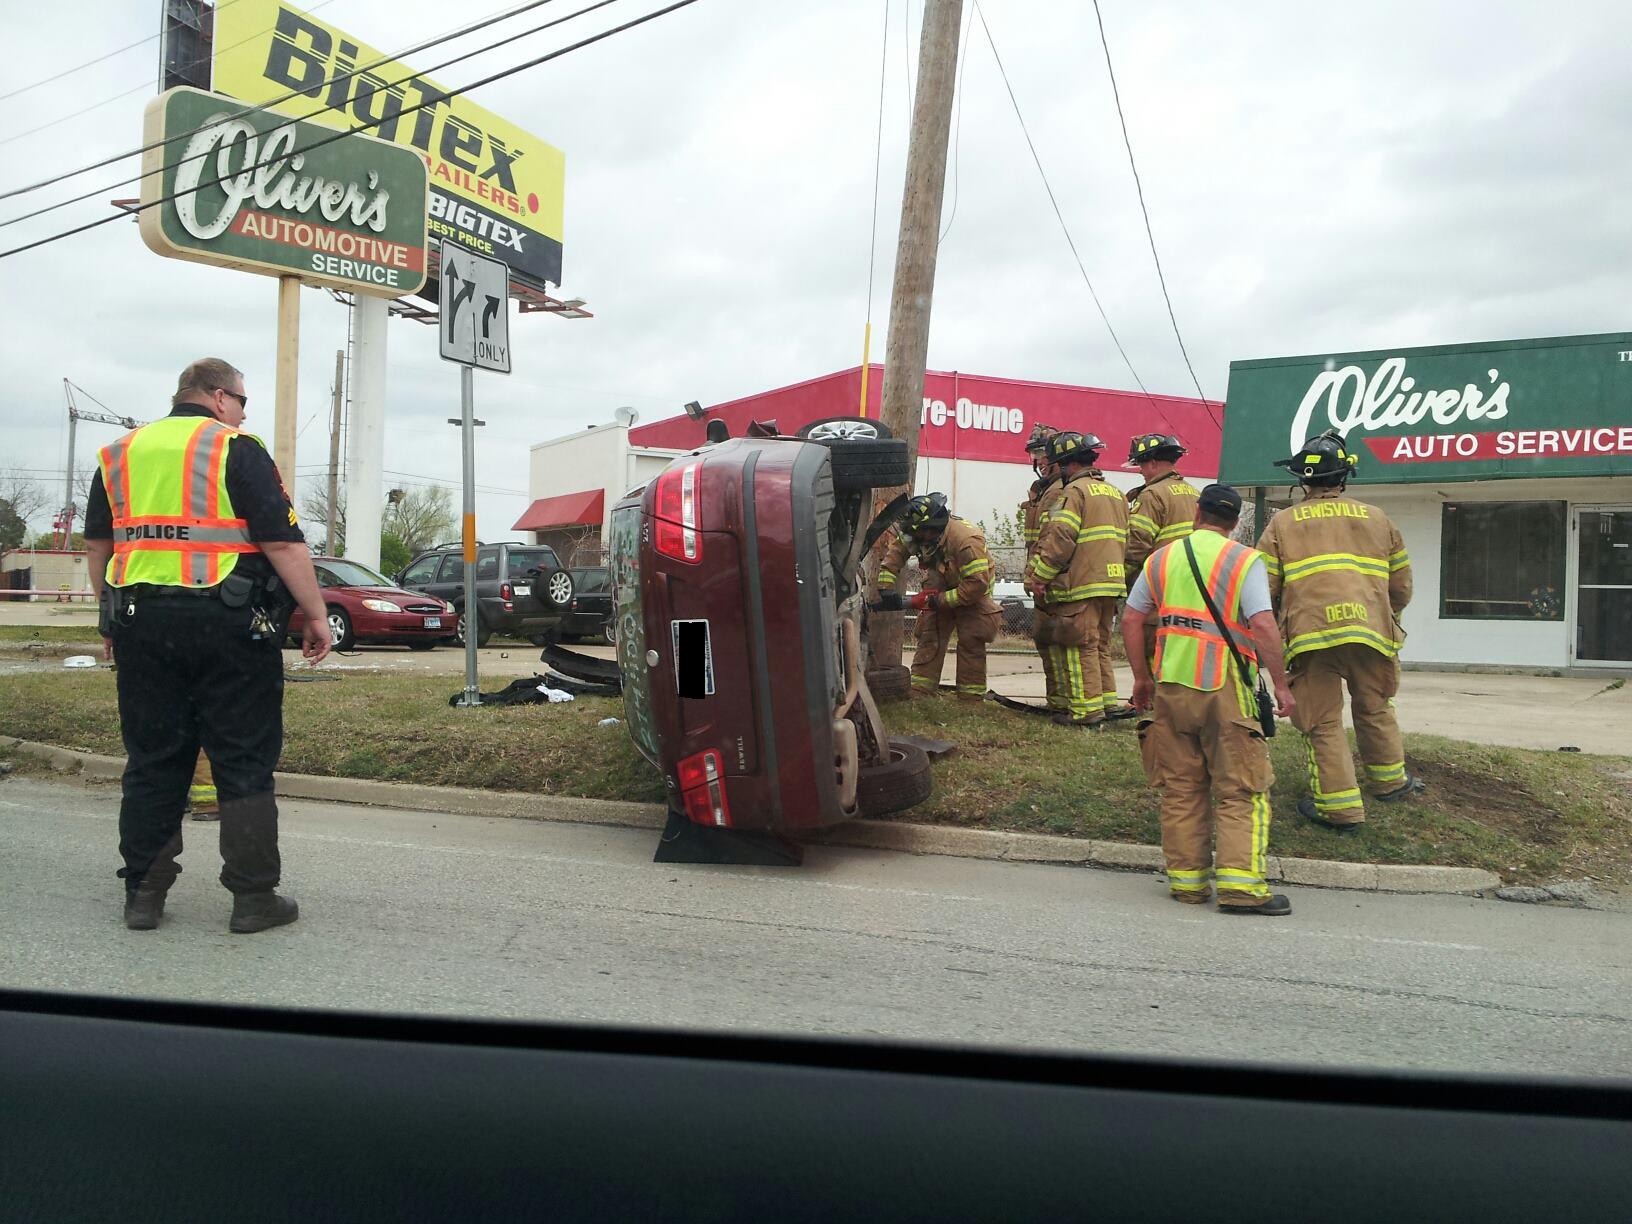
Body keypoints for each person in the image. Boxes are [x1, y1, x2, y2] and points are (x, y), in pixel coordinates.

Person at [83, 357, 333, 933]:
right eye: (243, 401)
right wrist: (315, 615)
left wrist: (109, 619)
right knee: (243, 759)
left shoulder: (119, 455)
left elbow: (100, 547)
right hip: (230, 625)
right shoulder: (235, 449)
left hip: (143, 623)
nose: (244, 413)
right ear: (220, 398)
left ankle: (143, 895)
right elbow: (284, 544)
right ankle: (252, 900)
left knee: (152, 760)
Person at [1122, 483, 1295, 914]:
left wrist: (1142, 678)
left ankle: (1188, 885)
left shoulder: (1161, 558)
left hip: (1171, 688)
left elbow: (1131, 617)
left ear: (1196, 513)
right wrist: (1281, 684)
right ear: (1235, 522)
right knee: (1240, 789)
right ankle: (1241, 889)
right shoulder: (1243, 560)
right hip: (1224, 690)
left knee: (1181, 789)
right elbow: (1263, 626)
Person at [1256, 429, 1423, 830]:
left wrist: (1279, 630)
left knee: (1323, 721)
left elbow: (1264, 589)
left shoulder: (1282, 523)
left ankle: (1340, 808)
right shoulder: (1378, 518)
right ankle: (1389, 782)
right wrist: (1379, 613)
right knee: (1376, 706)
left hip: (1312, 638)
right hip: (1372, 634)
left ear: (1304, 480)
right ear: (1344, 477)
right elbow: (1401, 587)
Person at [1024, 432, 1129, 726]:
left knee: (1077, 646)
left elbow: (1061, 539)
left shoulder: (1075, 493)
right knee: (1099, 647)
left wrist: (1039, 577)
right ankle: (1107, 705)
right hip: (1110, 584)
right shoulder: (1116, 493)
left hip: (1081, 584)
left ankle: (1085, 713)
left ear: (1066, 464)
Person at [877, 493, 1001, 702]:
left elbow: (977, 584)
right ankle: (920, 691)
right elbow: (895, 554)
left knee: (971, 640)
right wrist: (885, 588)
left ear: (929, 528)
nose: (910, 538)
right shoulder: (918, 532)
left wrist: (941, 600)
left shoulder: (965, 540)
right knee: (930, 635)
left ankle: (970, 699)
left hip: (973, 591)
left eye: (914, 533)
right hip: (941, 579)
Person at [1018, 424, 1067, 714]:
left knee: (1056, 642)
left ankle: (1062, 702)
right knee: (1046, 640)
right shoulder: (1043, 491)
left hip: (1052, 581)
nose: (1037, 462)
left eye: (1040, 454)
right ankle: (1057, 701)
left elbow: (1052, 539)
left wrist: (1037, 576)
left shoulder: (1058, 493)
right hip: (1043, 579)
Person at [1123, 433, 1201, 582]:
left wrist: (1122, 575)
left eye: (1141, 465)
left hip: (1162, 577)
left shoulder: (1152, 494)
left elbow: (1138, 542)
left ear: (1153, 463)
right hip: (1191, 575)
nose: (1140, 470)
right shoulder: (1195, 493)